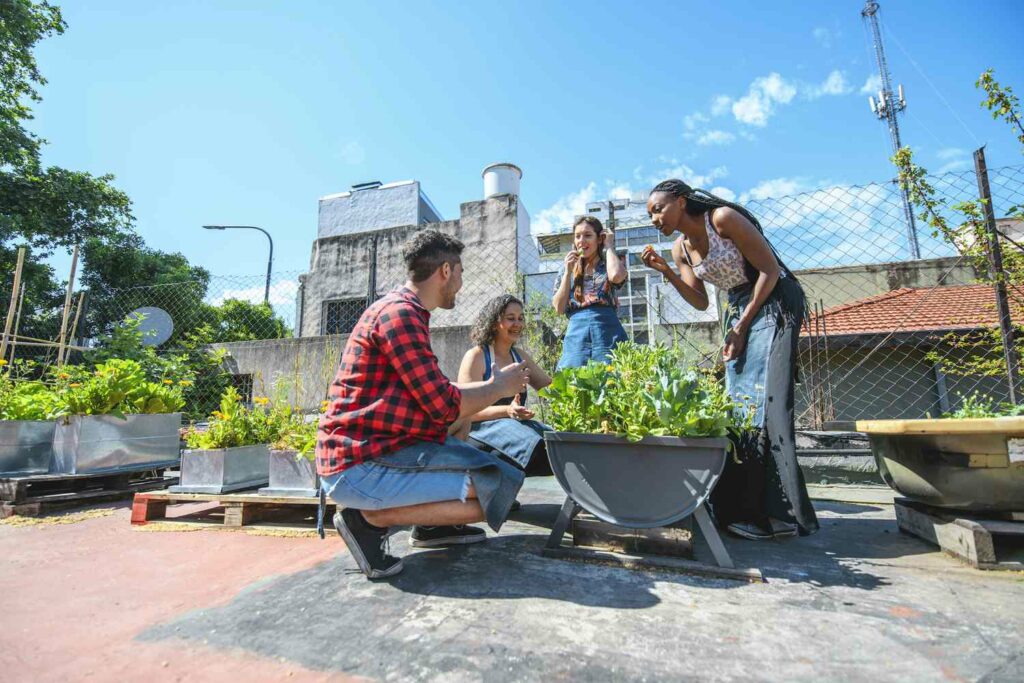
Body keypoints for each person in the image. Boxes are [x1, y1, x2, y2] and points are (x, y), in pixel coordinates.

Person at [316, 230, 530, 579]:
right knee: (499, 485)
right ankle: (365, 519)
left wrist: (476, 401)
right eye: (460, 272)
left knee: (470, 436)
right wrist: (498, 387)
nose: (460, 282)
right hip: (358, 464)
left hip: (380, 447)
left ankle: (432, 528)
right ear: (445, 271)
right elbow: (444, 406)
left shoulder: (404, 311)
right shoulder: (400, 315)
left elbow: (442, 403)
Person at [643, 179, 819, 540]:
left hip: (774, 299)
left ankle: (779, 518)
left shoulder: (722, 218)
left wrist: (741, 325)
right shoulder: (681, 249)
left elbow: (770, 271)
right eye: (650, 215)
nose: (654, 219)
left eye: (658, 209)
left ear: (679, 200)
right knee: (739, 406)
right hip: (738, 308)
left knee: (764, 400)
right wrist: (666, 272)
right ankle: (741, 510)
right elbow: (700, 301)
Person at [457, 294, 554, 481]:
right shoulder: (476, 356)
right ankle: (492, 490)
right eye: (510, 319)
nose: (517, 323)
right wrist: (507, 410)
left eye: (520, 318)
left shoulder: (520, 356)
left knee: (555, 444)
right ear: (494, 323)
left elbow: (550, 388)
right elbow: (465, 411)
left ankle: (504, 490)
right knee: (534, 446)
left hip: (515, 425)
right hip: (479, 431)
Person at [551, 215, 628, 369]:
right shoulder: (567, 268)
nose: (581, 241)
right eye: (577, 236)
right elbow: (559, 308)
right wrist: (567, 272)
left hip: (607, 328)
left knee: (612, 378)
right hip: (576, 331)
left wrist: (609, 246)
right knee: (574, 381)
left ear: (599, 239)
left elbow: (617, 276)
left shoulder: (611, 262)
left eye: (588, 235)